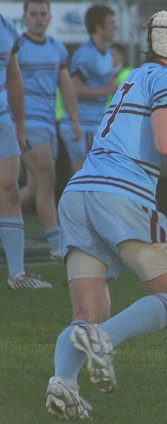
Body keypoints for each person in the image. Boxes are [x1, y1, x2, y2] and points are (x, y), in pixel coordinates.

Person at [45, 9, 167, 420]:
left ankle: (63, 383)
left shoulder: (133, 78)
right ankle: (103, 339)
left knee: (86, 314)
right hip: (121, 197)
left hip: (80, 194)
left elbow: (155, 150)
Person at [18, 0, 81, 261]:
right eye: (33, 14)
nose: (39, 18)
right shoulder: (16, 47)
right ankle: (57, 245)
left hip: (48, 123)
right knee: (47, 178)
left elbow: (66, 87)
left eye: (43, 14)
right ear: (24, 17)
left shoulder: (56, 47)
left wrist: (74, 119)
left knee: (34, 188)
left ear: (50, 17)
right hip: (26, 121)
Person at [0, 14, 52, 289]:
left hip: (3, 122)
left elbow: (13, 77)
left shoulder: (7, 26)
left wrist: (20, 124)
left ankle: (17, 275)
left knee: (8, 189)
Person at [60, 5, 117, 173]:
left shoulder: (106, 53)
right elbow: (73, 88)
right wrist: (106, 91)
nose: (116, 27)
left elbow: (107, 85)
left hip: (95, 124)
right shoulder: (86, 54)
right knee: (82, 179)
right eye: (111, 23)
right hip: (82, 125)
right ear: (98, 27)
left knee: (96, 179)